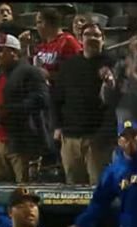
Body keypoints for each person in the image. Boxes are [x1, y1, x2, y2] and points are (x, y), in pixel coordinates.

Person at [51, 21, 115, 185]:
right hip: (70, 139)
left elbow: (116, 104)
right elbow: (57, 98)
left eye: (97, 35)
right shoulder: (69, 65)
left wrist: (104, 135)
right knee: (73, 189)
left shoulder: (113, 64)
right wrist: (58, 126)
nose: (92, 38)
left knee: (100, 188)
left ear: (103, 39)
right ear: (80, 39)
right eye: (88, 35)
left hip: (97, 140)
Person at [0, 33, 50, 183]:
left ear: (14, 52)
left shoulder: (30, 72)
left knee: (24, 191)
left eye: (1, 51)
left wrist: (8, 109)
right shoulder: (0, 77)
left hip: (22, 143)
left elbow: (41, 100)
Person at [26, 7, 81, 79]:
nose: (36, 27)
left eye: (39, 22)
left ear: (48, 23)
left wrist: (48, 75)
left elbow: (75, 71)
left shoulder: (67, 41)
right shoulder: (42, 45)